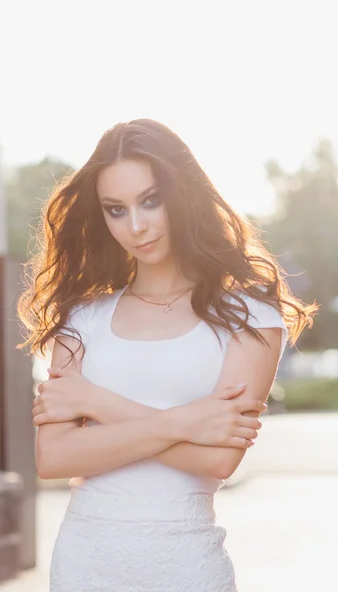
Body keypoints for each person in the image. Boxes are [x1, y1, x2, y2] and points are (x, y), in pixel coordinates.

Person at [18, 118, 317, 591]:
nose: (136, 226)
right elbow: (54, 457)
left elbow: (219, 460)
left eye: (150, 201)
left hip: (187, 563)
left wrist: (94, 402)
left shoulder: (250, 315)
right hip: (84, 563)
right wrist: (184, 423)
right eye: (116, 209)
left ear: (183, 195)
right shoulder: (81, 318)